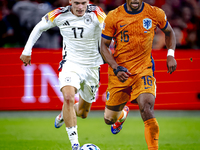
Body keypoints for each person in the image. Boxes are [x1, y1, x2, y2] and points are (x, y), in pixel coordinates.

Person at [20, 0, 106, 149]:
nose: (80, 7)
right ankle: (75, 145)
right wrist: (27, 51)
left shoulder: (96, 13)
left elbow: (107, 28)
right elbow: (39, 27)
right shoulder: (59, 14)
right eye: (77, 3)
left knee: (83, 112)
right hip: (70, 64)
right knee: (68, 97)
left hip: (92, 66)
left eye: (83, 3)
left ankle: (63, 115)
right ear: (70, 1)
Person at [100, 0, 177, 150]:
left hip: (144, 70)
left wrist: (171, 54)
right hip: (120, 72)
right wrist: (115, 67)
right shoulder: (114, 16)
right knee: (109, 119)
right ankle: (121, 115)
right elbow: (103, 45)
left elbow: (170, 32)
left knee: (146, 106)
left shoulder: (155, 13)